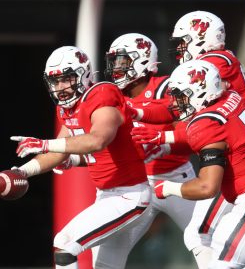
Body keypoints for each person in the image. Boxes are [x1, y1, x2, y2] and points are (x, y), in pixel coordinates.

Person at [131, 10, 245, 269]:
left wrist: (163, 140)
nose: (179, 49)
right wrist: (139, 112)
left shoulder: (211, 85)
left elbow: (207, 180)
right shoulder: (228, 95)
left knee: (208, 242)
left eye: (183, 42)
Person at [9, 46, 152, 269]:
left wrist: (44, 143)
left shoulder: (102, 96)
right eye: (55, 82)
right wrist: (21, 171)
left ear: (83, 74)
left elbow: (98, 139)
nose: (60, 88)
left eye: (66, 79)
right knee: (106, 266)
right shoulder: (68, 109)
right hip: (107, 196)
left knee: (65, 244)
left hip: (128, 196)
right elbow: (59, 152)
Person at [154, 59, 245, 268]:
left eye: (180, 96)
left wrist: (167, 187)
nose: (175, 103)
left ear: (201, 92)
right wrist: (164, 138)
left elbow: (207, 187)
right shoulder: (232, 98)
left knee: (221, 262)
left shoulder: (207, 124)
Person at [99, 32, 197, 266]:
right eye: (114, 61)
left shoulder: (167, 87)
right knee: (108, 251)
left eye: (122, 61)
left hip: (175, 178)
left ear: (142, 60)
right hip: (134, 183)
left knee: (205, 240)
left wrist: (160, 144)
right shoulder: (111, 97)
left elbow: (192, 137)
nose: (116, 68)